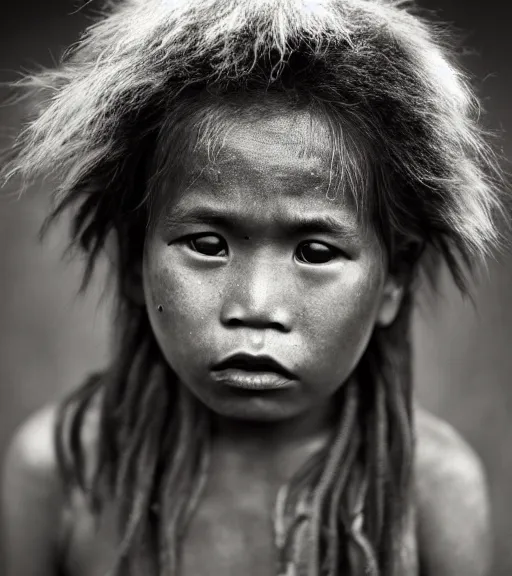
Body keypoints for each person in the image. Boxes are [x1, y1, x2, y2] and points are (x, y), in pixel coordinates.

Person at [0, 0, 506, 574]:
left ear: (394, 280)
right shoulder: (61, 474)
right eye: (208, 246)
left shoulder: (432, 491)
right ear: (130, 263)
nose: (255, 308)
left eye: (315, 252)